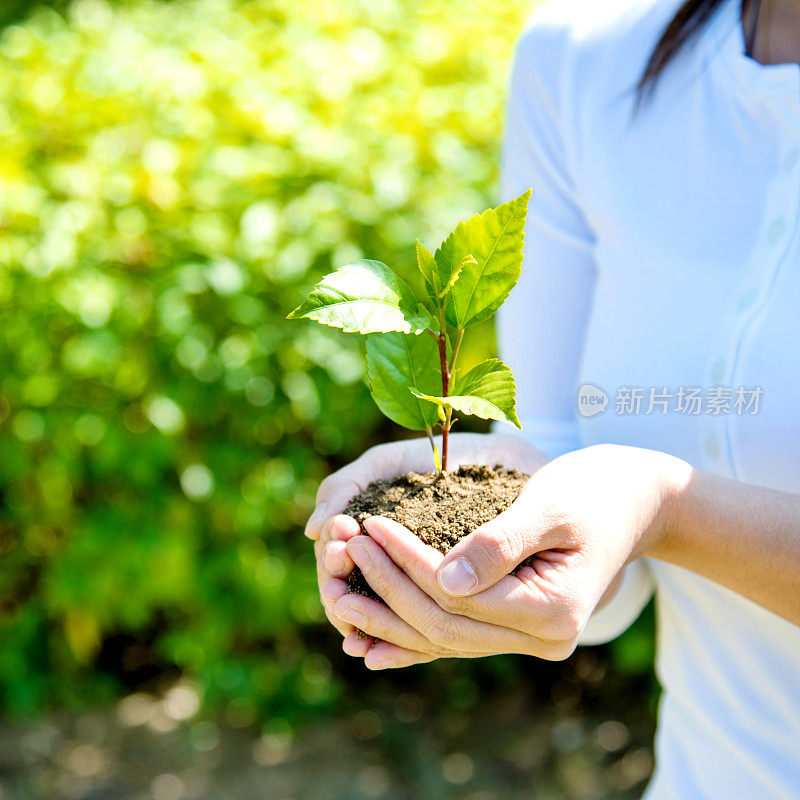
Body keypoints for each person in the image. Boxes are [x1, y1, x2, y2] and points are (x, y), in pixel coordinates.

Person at [305, 0, 800, 797]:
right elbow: (579, 497)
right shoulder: (590, 59)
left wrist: (668, 508)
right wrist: (515, 533)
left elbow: (640, 506)